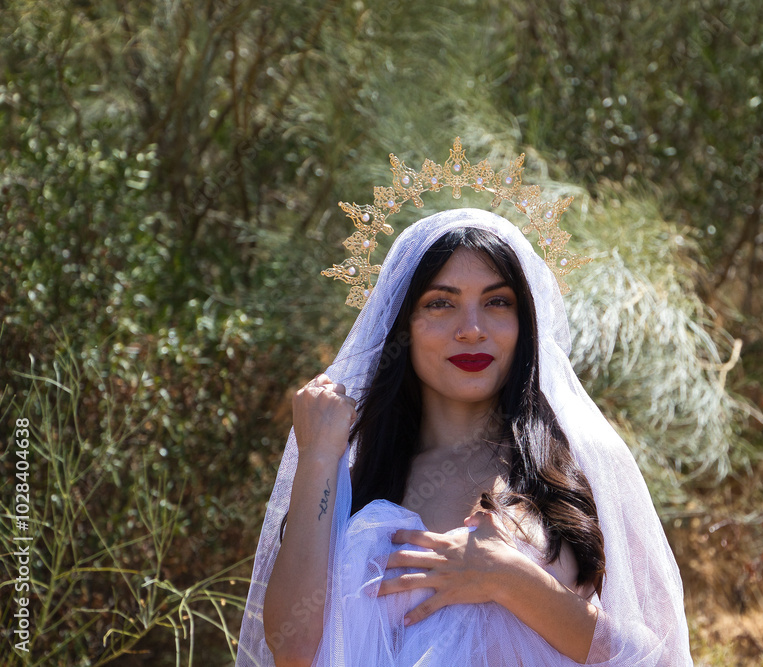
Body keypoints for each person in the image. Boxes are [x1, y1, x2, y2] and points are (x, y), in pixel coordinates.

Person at [236, 207, 693, 666]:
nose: (472, 330)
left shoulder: (585, 465)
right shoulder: (356, 483)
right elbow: (293, 648)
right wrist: (317, 456)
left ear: (525, 322)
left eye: (497, 302)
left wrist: (508, 577)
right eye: (441, 303)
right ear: (403, 326)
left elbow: (660, 656)